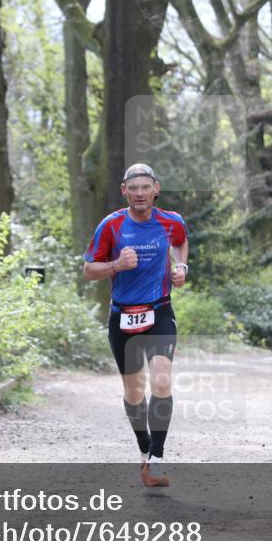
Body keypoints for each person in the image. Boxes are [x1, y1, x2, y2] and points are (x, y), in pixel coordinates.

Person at [82, 163, 188, 488]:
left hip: (160, 312)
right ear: (124, 191)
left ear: (156, 189)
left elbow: (181, 243)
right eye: (134, 188)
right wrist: (116, 265)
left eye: (146, 187)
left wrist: (181, 266)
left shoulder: (172, 222)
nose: (140, 194)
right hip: (123, 316)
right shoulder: (111, 225)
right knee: (134, 391)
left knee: (161, 380)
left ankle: (156, 458)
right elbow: (89, 269)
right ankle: (144, 450)